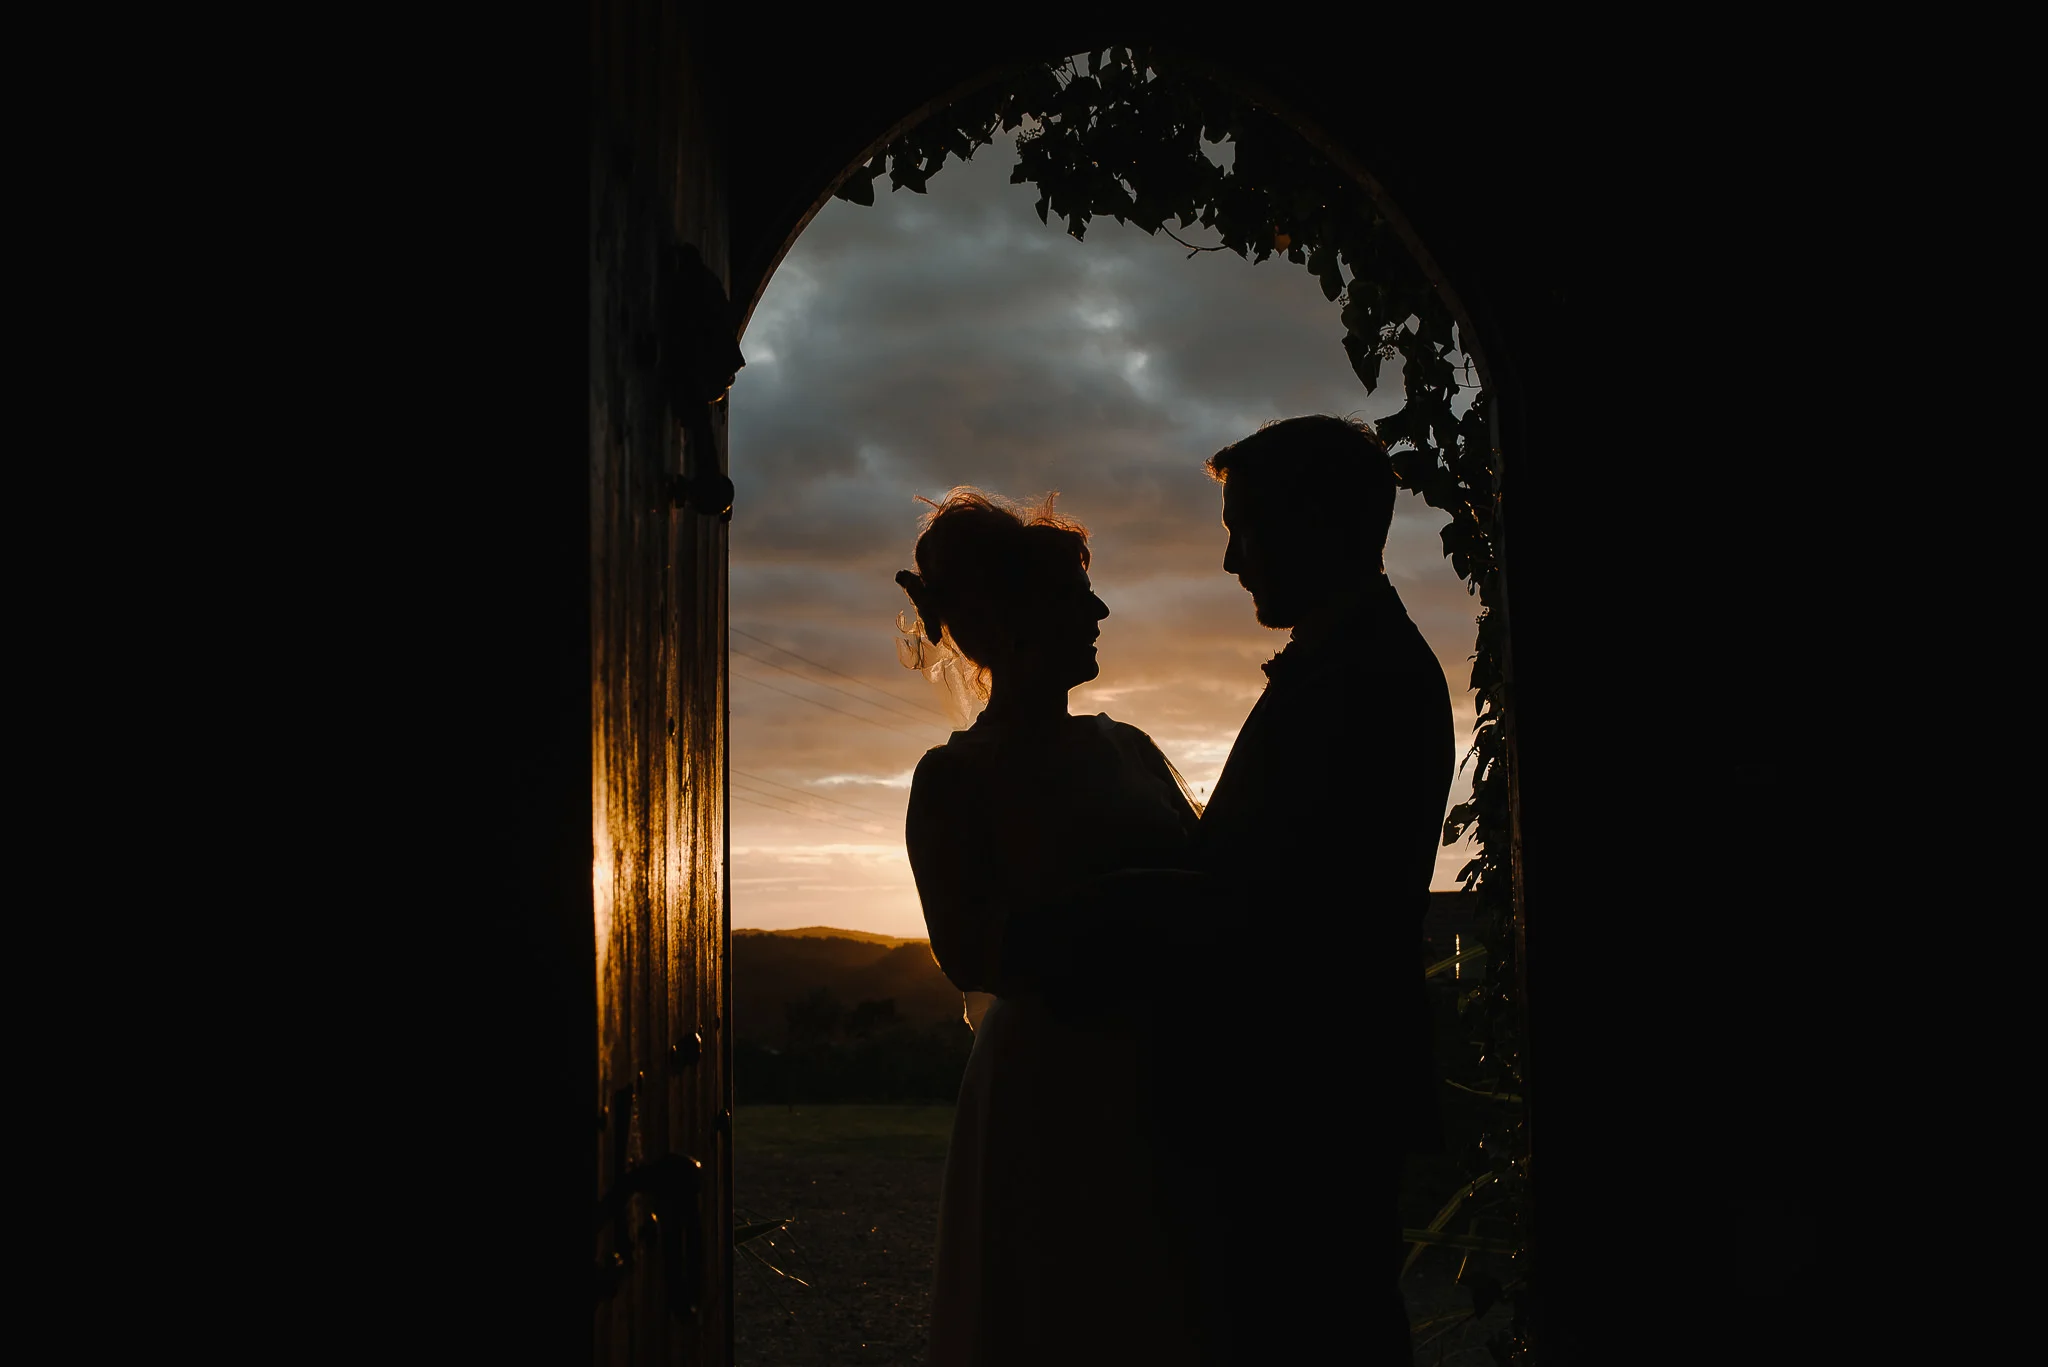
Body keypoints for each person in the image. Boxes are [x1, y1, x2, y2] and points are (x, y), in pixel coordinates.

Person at [896, 488, 1204, 1367]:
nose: (1101, 610)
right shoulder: (955, 778)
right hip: (1051, 1092)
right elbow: (969, 951)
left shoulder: (1130, 745)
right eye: (1077, 595)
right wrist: (1141, 903)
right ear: (1020, 618)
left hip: (1165, 1074)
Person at [1184, 414, 1456, 1362]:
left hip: (1311, 1087)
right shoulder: (1355, 660)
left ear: (1318, 523)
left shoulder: (1368, 677)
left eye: (1245, 527)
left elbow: (1273, 895)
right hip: (1319, 1081)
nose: (1230, 562)